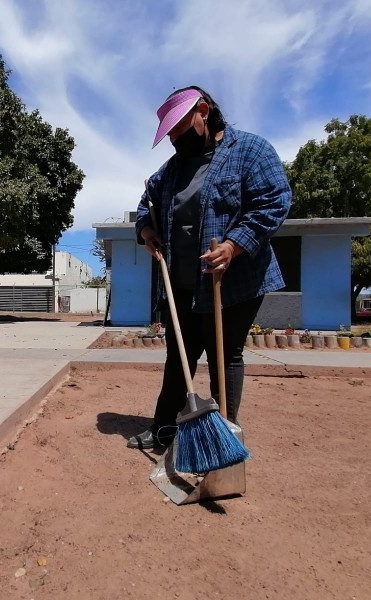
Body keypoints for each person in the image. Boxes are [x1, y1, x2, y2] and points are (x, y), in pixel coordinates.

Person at [127, 85, 291, 449]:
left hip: (234, 281)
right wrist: (146, 229)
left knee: (225, 356)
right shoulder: (169, 172)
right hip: (181, 283)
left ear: (203, 111)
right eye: (170, 135)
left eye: (179, 130)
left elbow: (274, 203)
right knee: (179, 357)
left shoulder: (251, 150)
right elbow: (145, 204)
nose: (175, 140)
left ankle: (224, 436)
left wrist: (234, 245)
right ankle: (163, 431)